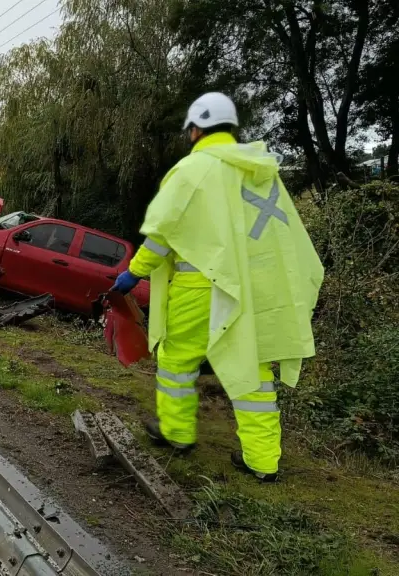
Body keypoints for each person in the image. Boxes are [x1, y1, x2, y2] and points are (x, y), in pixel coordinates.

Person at [110, 92, 323, 482]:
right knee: (252, 368)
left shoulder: (192, 170)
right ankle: (263, 462)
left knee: (177, 362)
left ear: (195, 130)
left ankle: (177, 434)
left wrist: (134, 273)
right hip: (253, 292)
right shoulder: (262, 172)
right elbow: (282, 238)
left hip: (198, 288)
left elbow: (163, 235)